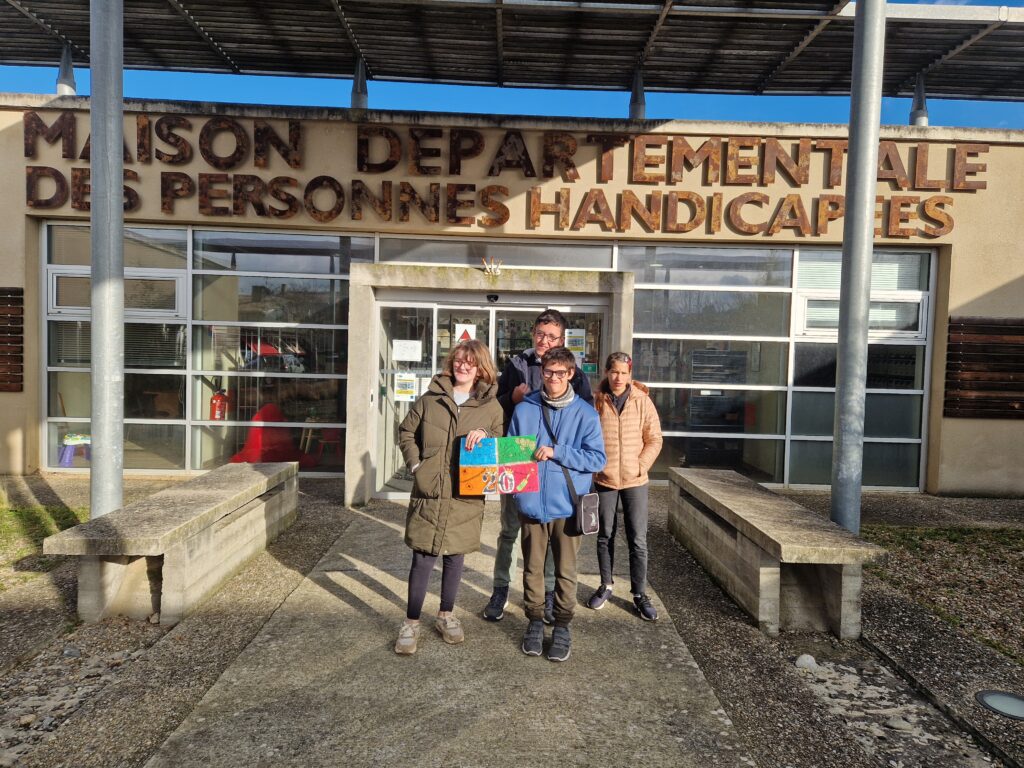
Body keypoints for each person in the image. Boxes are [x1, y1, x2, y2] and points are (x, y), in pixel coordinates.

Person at [483, 308, 595, 624]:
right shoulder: (516, 365)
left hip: (555, 468)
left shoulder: (573, 372)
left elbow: (584, 418)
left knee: (546, 533)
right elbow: (494, 407)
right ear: (533, 333)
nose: (545, 341)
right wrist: (512, 400)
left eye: (552, 336)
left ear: (562, 339)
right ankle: (500, 588)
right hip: (516, 458)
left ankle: (546, 594)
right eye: (540, 334)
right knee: (509, 530)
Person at [394, 340, 503, 655]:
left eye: (470, 362)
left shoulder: (491, 407)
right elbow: (406, 432)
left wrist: (487, 437)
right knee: (423, 557)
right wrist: (417, 465)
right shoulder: (430, 400)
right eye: (458, 360)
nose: (463, 366)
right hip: (431, 491)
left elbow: (500, 445)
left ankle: (446, 615)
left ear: (481, 367)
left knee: (455, 557)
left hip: (464, 495)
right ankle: (411, 622)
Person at [508, 347, 606, 662]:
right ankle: (535, 622)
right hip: (532, 505)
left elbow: (597, 459)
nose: (553, 378)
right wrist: (516, 493)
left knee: (565, 571)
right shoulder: (525, 409)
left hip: (567, 506)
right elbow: (512, 455)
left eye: (560, 373)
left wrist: (557, 451)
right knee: (533, 569)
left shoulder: (586, 414)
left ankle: (562, 626)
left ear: (571, 375)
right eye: (548, 371)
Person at [587, 352, 663, 621]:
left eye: (624, 372)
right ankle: (606, 585)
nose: (618, 377)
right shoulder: (596, 401)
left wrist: (641, 465)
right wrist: (595, 466)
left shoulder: (642, 401)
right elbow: (586, 436)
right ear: (607, 372)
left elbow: (654, 439)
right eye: (614, 371)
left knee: (638, 539)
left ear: (630, 374)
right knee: (605, 535)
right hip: (605, 479)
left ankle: (639, 594)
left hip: (635, 480)